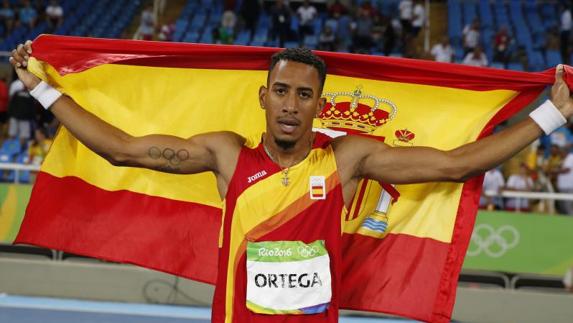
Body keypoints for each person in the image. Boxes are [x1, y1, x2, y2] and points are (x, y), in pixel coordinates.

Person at [9, 41, 573, 322]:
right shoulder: (226, 155)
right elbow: (123, 150)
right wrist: (41, 89)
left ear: (318, 105)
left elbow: (456, 165)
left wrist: (552, 115)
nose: (290, 105)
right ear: (264, 96)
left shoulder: (346, 159)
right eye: (281, 91)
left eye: (304, 95)